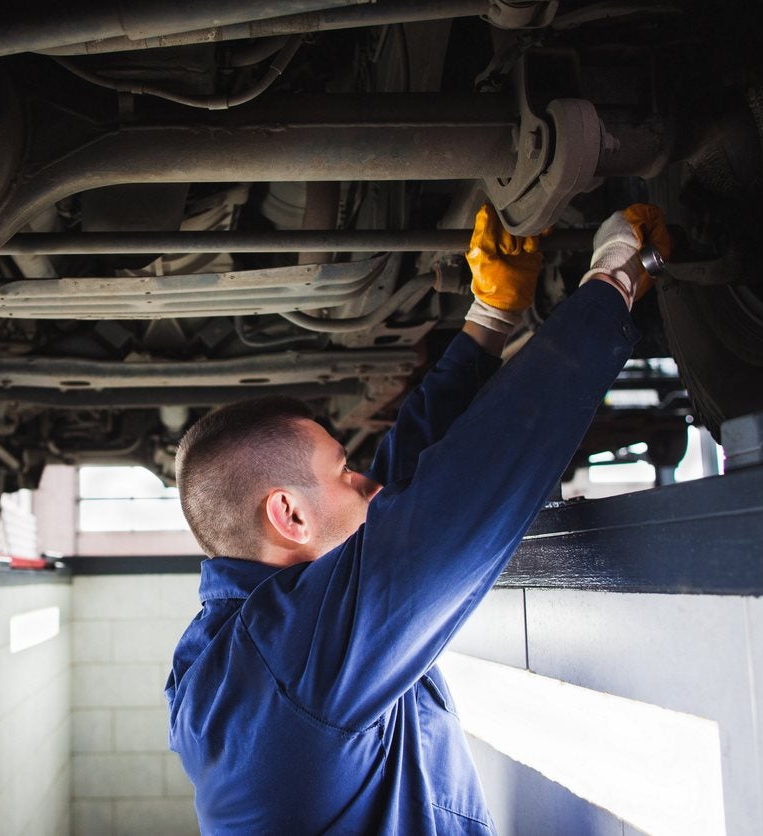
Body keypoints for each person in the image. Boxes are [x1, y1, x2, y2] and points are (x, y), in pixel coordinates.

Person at [165, 203, 671, 834]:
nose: (366, 484)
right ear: (288, 513)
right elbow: (453, 505)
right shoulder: (282, 669)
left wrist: (489, 321)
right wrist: (611, 285)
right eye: (345, 472)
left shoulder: (242, 654)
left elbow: (399, 493)